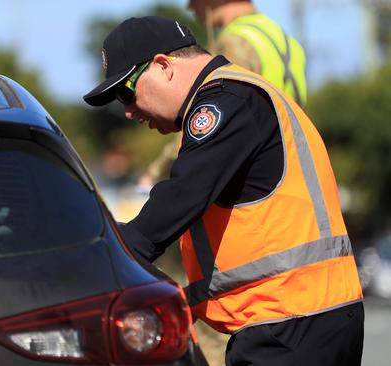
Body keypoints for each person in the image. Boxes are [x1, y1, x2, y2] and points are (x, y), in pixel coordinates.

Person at [83, 16, 363, 366]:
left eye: (127, 91)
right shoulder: (244, 95)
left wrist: (101, 261)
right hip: (306, 316)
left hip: (289, 322)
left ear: (163, 66)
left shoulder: (226, 100)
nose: (128, 111)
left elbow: (181, 197)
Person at [140, 0, 307, 188]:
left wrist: (158, 172)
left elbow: (210, 115)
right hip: (289, 163)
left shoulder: (235, 41)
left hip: (255, 177)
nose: (190, 7)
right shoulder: (284, 39)